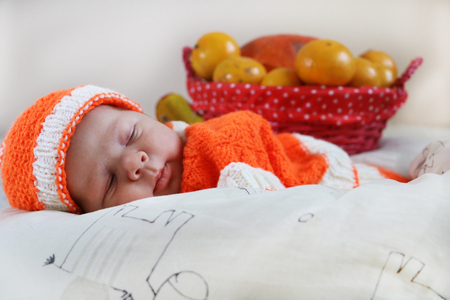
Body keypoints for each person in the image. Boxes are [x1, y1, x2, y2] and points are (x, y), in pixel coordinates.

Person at [0, 85, 444, 214]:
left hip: (318, 168)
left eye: (132, 136)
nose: (135, 164)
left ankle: (424, 171)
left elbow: (255, 143)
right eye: (111, 181)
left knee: (410, 187)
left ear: (147, 115)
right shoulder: (156, 216)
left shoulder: (213, 138)